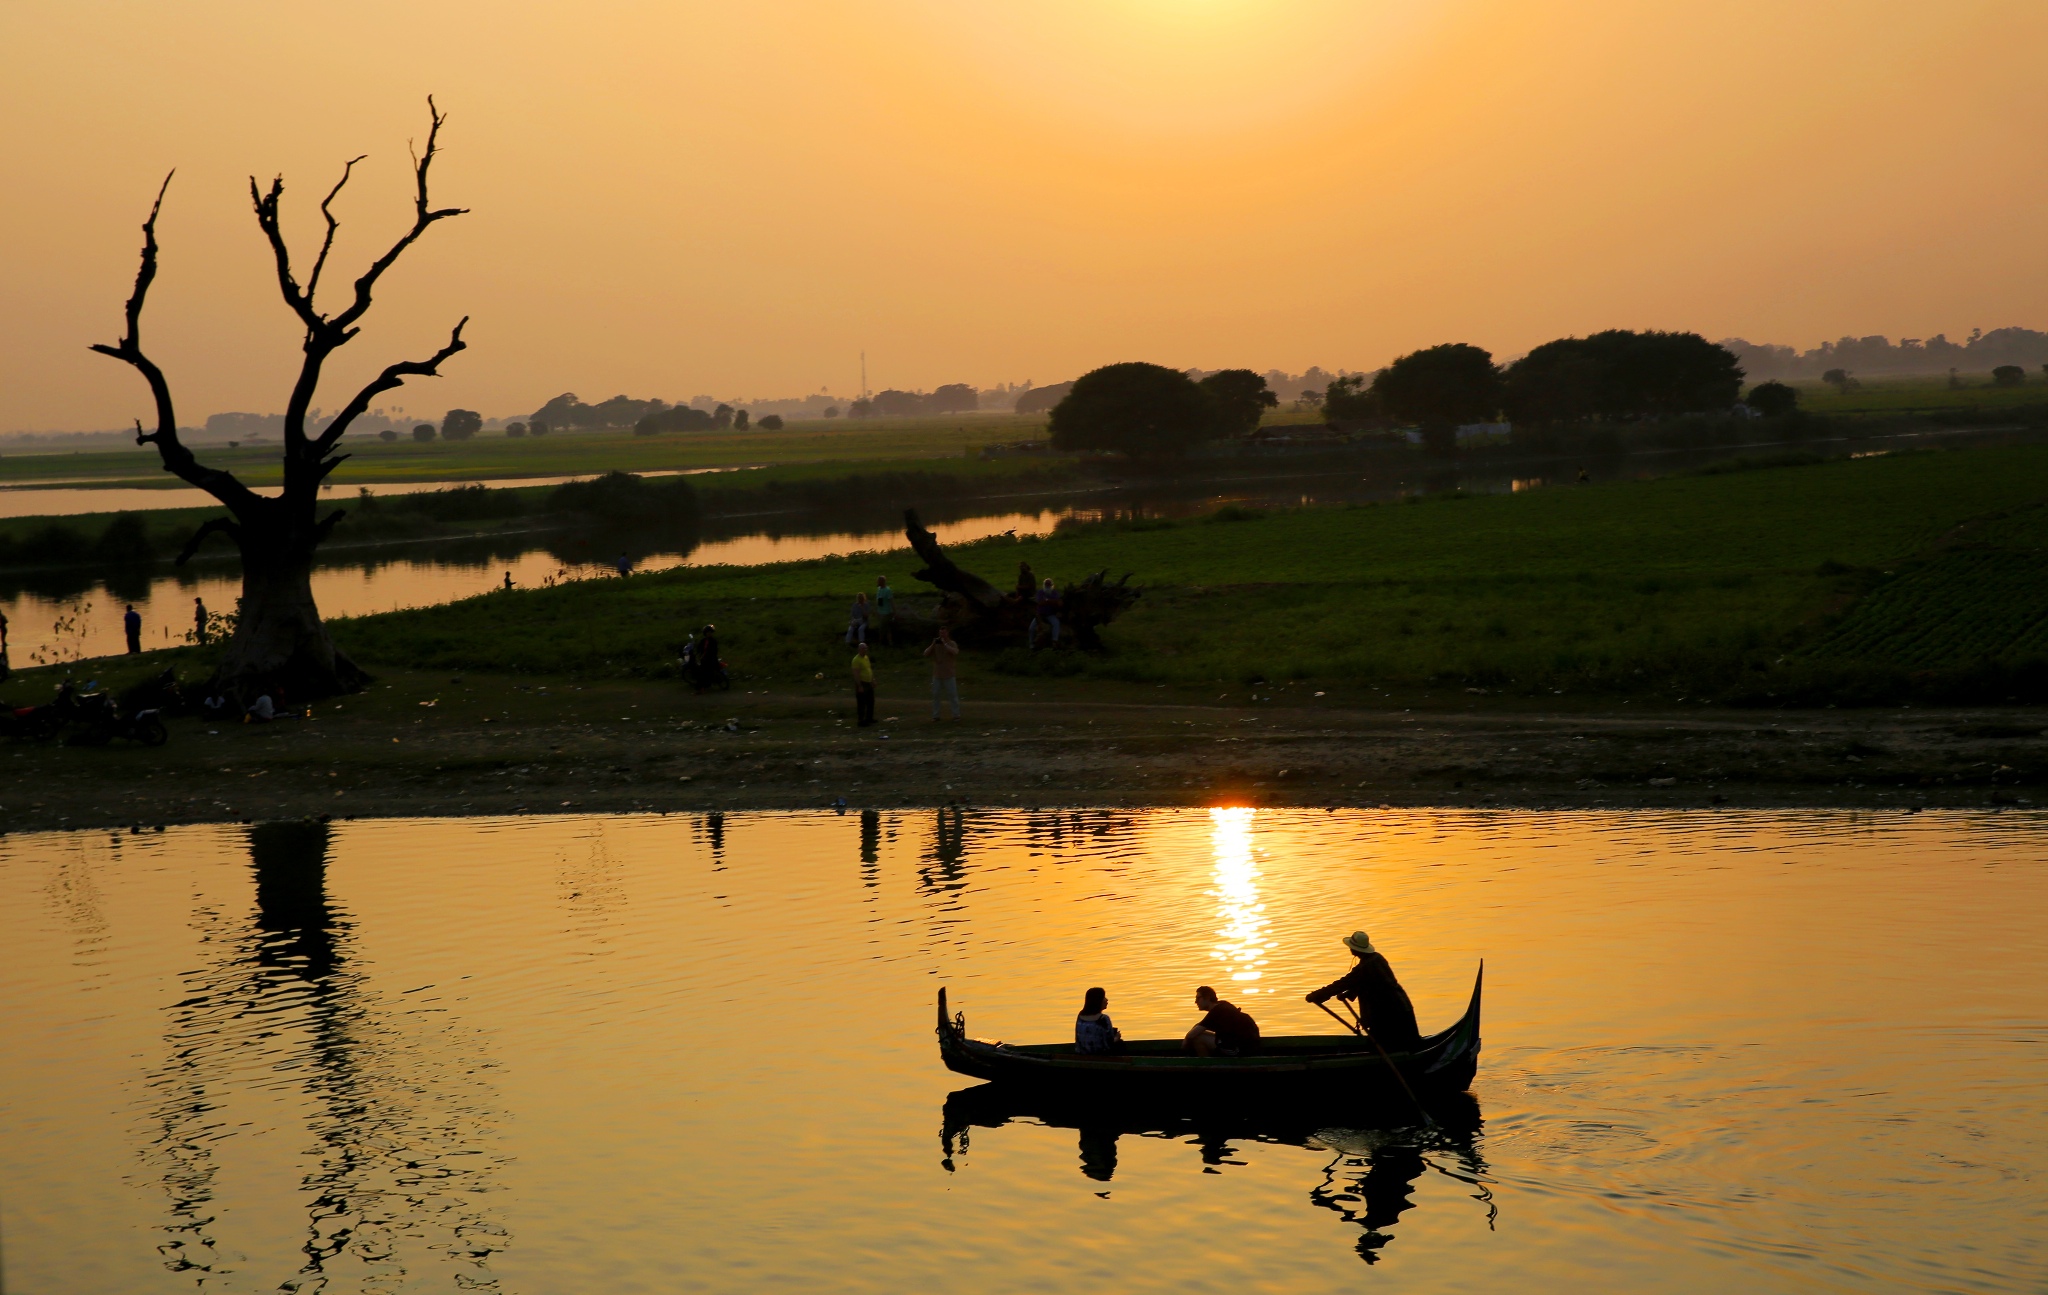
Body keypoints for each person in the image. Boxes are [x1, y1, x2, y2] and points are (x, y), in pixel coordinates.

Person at [1306, 930, 1421, 1052]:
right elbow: (1372, 982)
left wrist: (1318, 995)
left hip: (1388, 1014)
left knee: (1385, 1047)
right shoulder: (1377, 958)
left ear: (1355, 949)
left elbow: (1344, 983)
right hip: (1402, 1006)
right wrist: (1349, 993)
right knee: (1407, 1045)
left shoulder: (1365, 967)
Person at [1183, 985, 1260, 1057]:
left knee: (1198, 1038)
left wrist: (1184, 1045)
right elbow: (1199, 1026)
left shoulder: (1216, 1012)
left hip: (1239, 1050)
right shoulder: (1223, 1005)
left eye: (1198, 998)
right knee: (1200, 1033)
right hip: (1250, 1047)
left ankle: (1206, 1067)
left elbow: (1191, 1035)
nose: (1195, 1002)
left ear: (1207, 998)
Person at [924, 624, 961, 720]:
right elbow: (926, 653)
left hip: (949, 674)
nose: (942, 635)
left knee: (952, 695)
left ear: (947, 633)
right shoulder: (936, 645)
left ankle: (956, 715)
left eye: (944, 633)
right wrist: (933, 644)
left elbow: (955, 652)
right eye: (940, 633)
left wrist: (945, 644)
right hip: (937, 674)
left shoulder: (952, 643)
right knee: (935, 695)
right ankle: (936, 715)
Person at [1074, 987, 1124, 1055]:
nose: (1106, 1000)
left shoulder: (1080, 1016)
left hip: (1082, 1054)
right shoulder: (1103, 1018)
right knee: (1120, 1044)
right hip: (1100, 1055)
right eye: (1104, 997)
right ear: (1098, 1000)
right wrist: (1117, 1037)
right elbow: (1109, 1044)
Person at [1031, 578, 1062, 650]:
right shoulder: (1040, 592)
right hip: (1040, 614)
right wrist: (1053, 601)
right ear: (1044, 585)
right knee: (1031, 628)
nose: (1047, 586)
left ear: (1052, 585)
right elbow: (1040, 602)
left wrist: (1047, 601)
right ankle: (1031, 644)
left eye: (1049, 584)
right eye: (1046, 584)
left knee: (1056, 623)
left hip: (1050, 614)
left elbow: (1059, 603)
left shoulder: (1055, 593)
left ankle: (1054, 641)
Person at [851, 641, 876, 726]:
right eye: (863, 648)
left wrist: (872, 679)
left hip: (868, 682)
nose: (865, 650)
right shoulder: (856, 660)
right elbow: (856, 673)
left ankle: (869, 718)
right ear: (859, 649)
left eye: (866, 648)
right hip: (862, 683)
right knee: (861, 702)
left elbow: (869, 669)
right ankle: (861, 720)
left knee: (870, 701)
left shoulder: (866, 657)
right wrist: (859, 685)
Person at [873, 576, 896, 646]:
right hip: (880, 612)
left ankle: (881, 642)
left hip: (886, 612)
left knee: (882, 628)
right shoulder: (879, 589)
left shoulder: (887, 590)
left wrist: (894, 611)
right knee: (887, 628)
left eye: (878, 581)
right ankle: (890, 642)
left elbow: (891, 601)